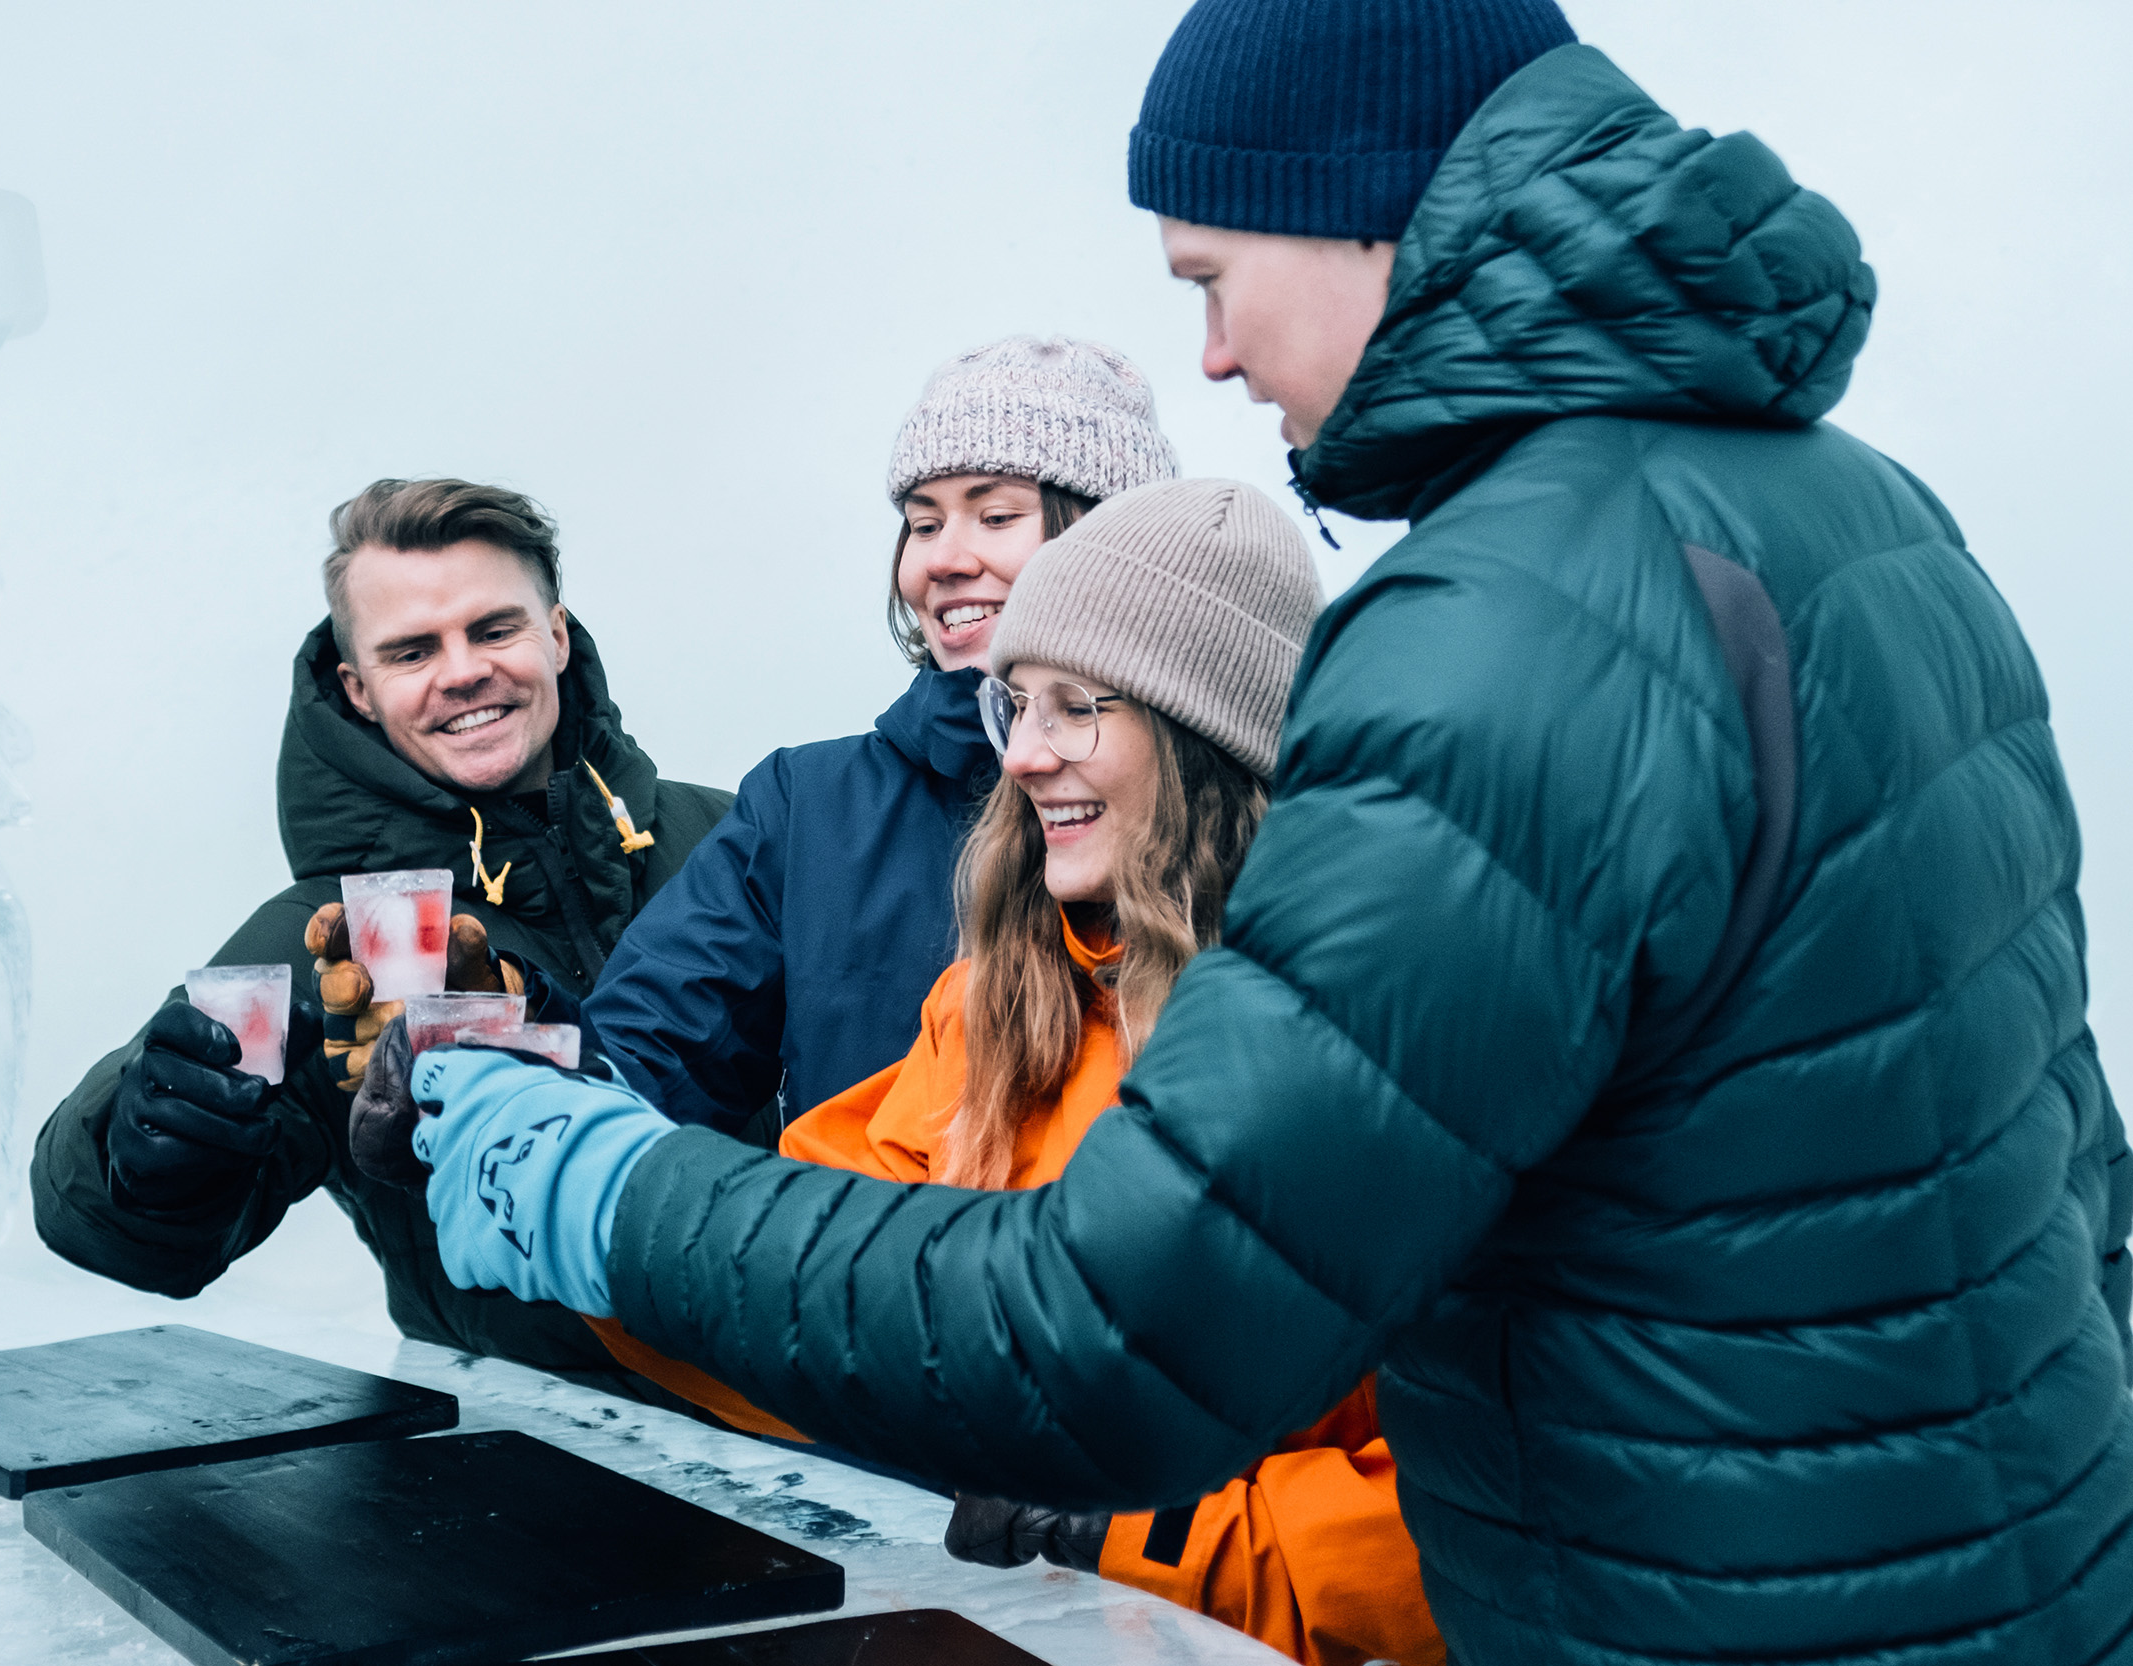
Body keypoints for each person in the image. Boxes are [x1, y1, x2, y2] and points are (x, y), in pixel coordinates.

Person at [349, 2, 2133, 1661]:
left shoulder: (1514, 613)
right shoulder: (1868, 519)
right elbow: (2065, 1154)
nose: (1210, 347)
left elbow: (1119, 1329)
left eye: (1212, 274)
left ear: (1359, 211)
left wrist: (593, 1188)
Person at [373, 479, 1439, 1664]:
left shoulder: (1385, 1038)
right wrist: (559, 1188)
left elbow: (1473, 1514)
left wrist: (1146, 1529)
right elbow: (811, 1303)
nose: (1025, 756)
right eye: (1014, 705)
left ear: (1208, 739)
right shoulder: (991, 1007)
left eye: (1078, 707)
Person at [28, 478, 734, 1404]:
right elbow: (110, 1228)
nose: (463, 672)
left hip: (853, 1394)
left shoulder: (732, 843)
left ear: (556, 636)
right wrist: (146, 1143)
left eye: (493, 629)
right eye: (412, 651)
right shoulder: (322, 939)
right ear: (359, 691)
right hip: (553, 1436)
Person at [573, 336, 1178, 1136]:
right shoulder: (807, 808)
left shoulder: (1213, 795)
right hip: (857, 1251)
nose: (943, 560)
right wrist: (493, 1076)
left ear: (1109, 538)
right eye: (922, 526)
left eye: (995, 515)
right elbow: (645, 1053)